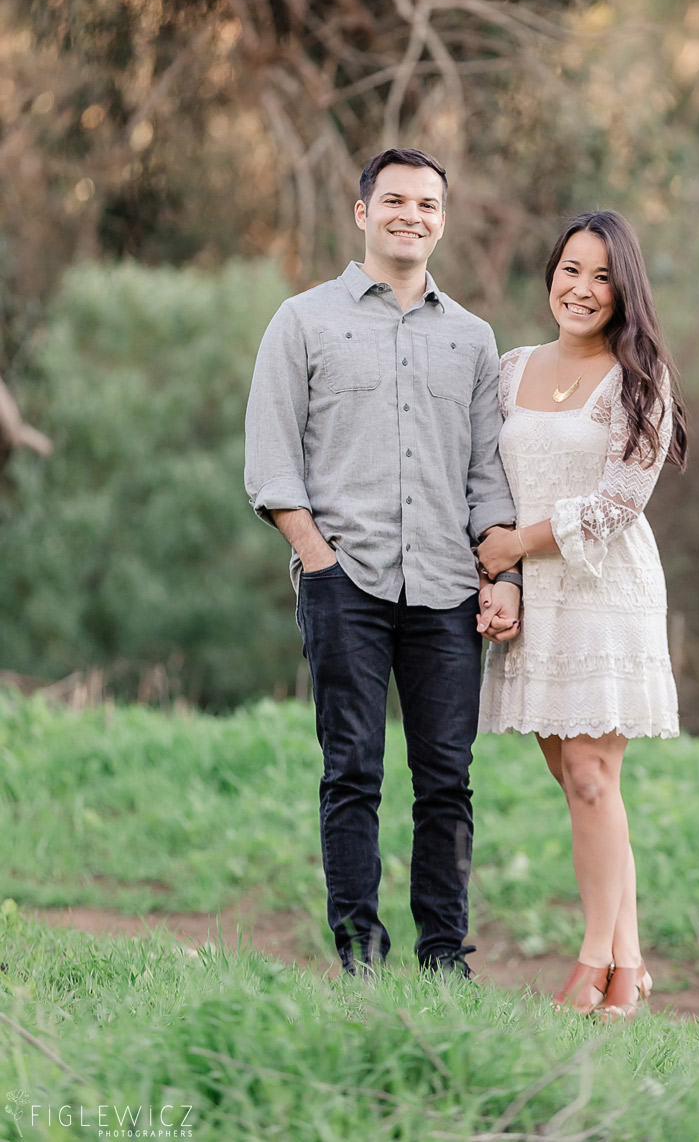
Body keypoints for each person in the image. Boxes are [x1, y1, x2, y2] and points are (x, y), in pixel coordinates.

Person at [244, 147, 521, 979]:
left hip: (444, 589)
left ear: (443, 219)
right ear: (362, 212)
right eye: (394, 200)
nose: (411, 215)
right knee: (352, 772)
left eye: (428, 204)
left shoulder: (473, 340)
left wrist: (499, 574)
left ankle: (445, 959)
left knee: (446, 782)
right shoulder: (303, 321)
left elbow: (486, 474)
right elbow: (270, 458)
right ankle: (359, 958)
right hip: (346, 583)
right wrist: (317, 561)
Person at [475, 209, 687, 1020]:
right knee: (576, 782)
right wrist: (504, 581)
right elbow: (486, 487)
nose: (583, 289)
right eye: (571, 269)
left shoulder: (640, 381)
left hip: (606, 593)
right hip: (538, 600)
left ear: (624, 289)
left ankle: (594, 964)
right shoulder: (508, 369)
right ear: (551, 275)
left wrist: (512, 549)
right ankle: (631, 964)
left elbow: (613, 507)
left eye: (602, 276)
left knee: (596, 776)